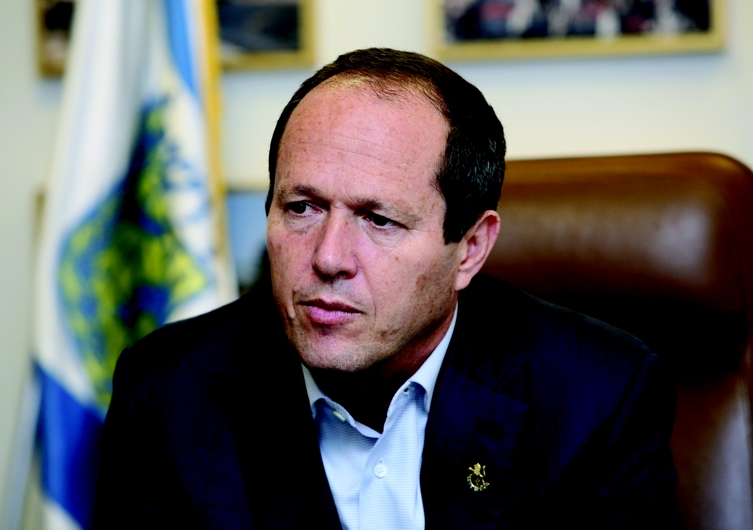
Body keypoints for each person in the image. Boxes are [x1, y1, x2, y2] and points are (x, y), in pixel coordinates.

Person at [93, 48, 682, 529]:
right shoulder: (168, 394)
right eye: (301, 208)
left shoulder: (598, 398)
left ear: (470, 248)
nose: (328, 258)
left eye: (379, 220)